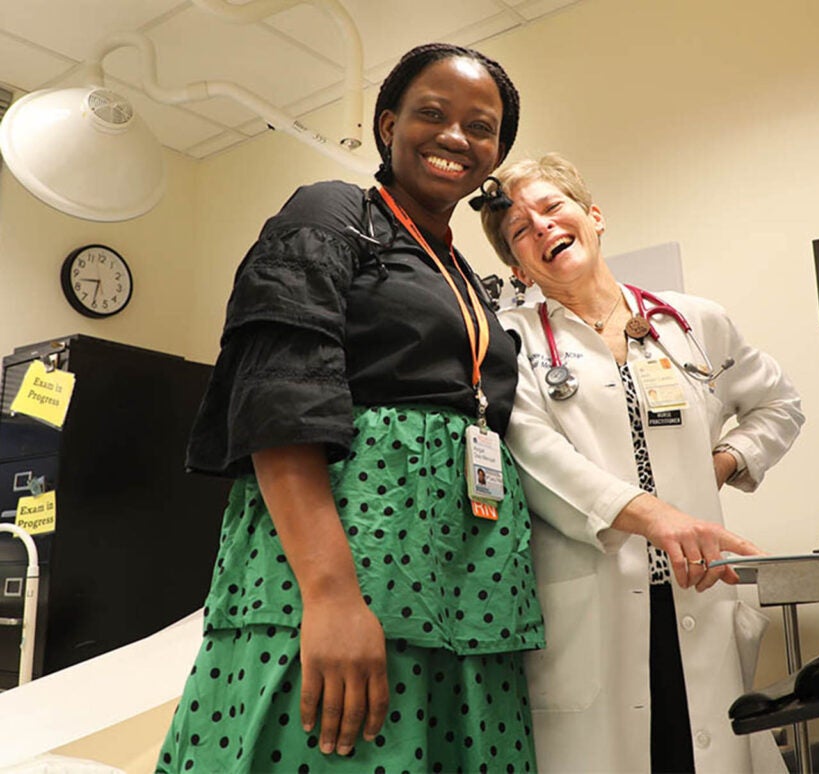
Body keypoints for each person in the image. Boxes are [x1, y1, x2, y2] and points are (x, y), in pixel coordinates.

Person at [157, 44, 544, 773]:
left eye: (480, 127)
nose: (456, 136)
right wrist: (332, 596)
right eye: (432, 114)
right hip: (348, 568)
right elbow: (277, 396)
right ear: (388, 124)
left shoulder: (461, 270)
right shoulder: (333, 212)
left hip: (468, 586)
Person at [480, 153, 804, 773]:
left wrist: (724, 463)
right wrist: (653, 516)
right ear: (517, 262)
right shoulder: (509, 341)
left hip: (698, 591)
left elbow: (779, 404)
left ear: (593, 217)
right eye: (520, 229)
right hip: (592, 599)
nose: (541, 227)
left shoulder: (693, 321)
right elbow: (533, 452)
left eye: (553, 208)